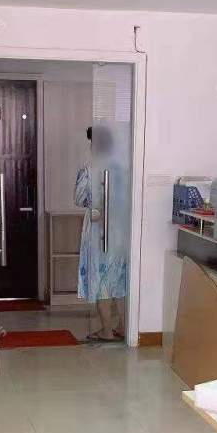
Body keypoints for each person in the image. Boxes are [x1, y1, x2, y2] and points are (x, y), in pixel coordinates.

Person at [75, 126, 127, 341]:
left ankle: (107, 331)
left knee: (100, 282)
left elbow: (79, 198)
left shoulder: (89, 169)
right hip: (120, 231)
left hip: (99, 232)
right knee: (120, 280)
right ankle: (124, 327)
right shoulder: (122, 169)